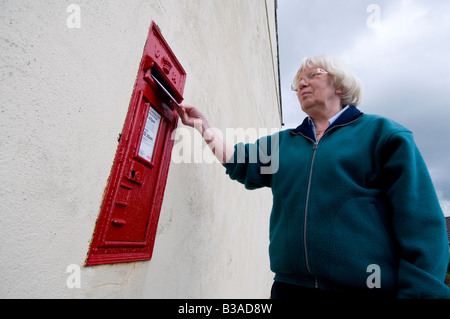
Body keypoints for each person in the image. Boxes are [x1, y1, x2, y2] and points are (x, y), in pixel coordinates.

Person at [174, 55, 450, 299]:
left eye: (312, 76)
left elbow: (420, 222)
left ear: (340, 85)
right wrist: (202, 126)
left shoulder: (383, 134)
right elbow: (238, 161)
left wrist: (422, 293)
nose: (302, 84)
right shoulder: (283, 144)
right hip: (289, 288)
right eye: (297, 82)